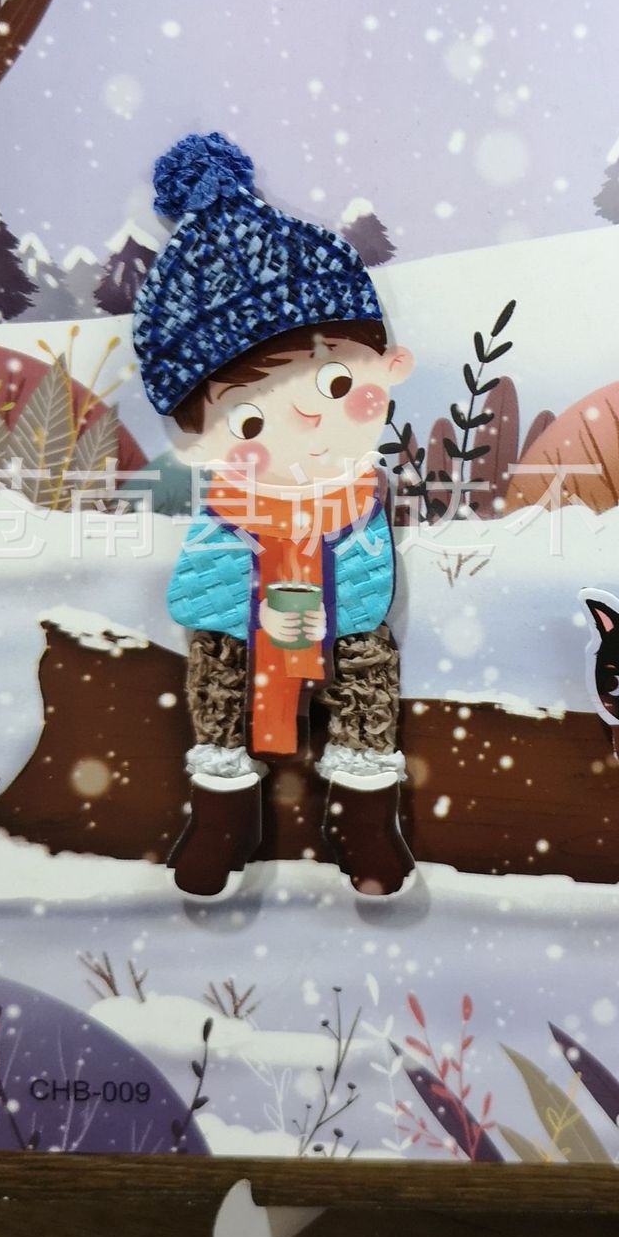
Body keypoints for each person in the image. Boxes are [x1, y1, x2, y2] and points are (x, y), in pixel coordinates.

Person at [133, 131, 414, 897]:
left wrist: (332, 608)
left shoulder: (358, 497)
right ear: (199, 442)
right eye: (250, 420)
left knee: (367, 663)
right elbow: (197, 586)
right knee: (216, 665)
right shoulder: (227, 506)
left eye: (334, 384)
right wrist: (253, 604)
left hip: (336, 617)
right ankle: (223, 810)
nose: (310, 421)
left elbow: (370, 578)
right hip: (247, 621)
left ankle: (364, 811)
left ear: (388, 365)